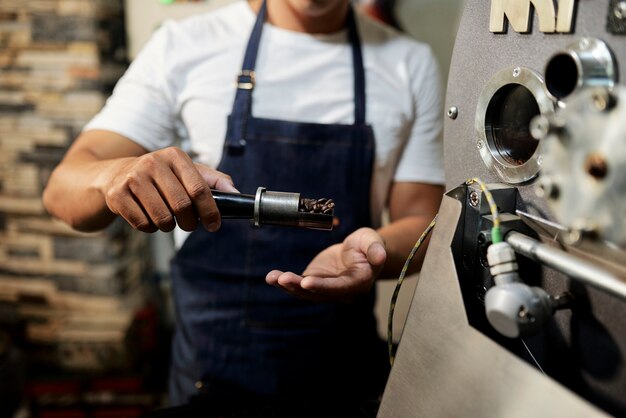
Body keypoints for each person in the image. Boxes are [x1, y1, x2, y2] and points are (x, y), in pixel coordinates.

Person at [43, 0, 444, 415]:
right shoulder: (183, 46)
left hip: (343, 375)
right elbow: (61, 191)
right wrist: (113, 175)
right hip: (212, 377)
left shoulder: (409, 62)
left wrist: (373, 249)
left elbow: (422, 222)